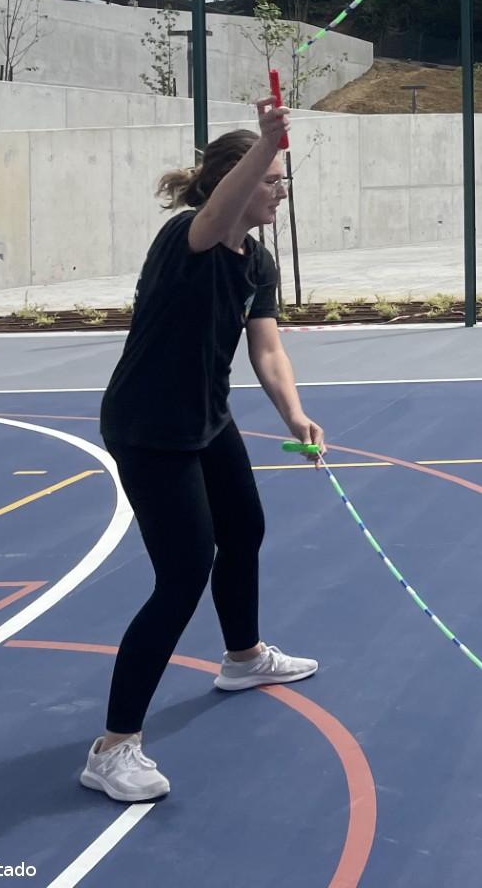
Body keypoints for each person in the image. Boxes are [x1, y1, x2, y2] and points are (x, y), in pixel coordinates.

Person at [80, 98, 327, 802]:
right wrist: (268, 143)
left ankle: (244, 657)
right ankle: (113, 746)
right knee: (184, 573)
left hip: (206, 417)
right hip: (148, 426)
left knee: (244, 528)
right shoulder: (188, 234)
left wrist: (296, 413)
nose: (280, 193)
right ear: (241, 182)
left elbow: (267, 345)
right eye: (274, 181)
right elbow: (216, 215)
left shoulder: (258, 260)